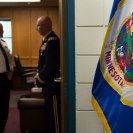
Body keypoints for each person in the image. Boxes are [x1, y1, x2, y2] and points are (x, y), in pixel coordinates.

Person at [35, 16, 60, 133]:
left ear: (46, 26)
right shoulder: (47, 40)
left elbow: (50, 66)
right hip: (48, 86)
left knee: (54, 120)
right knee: (49, 117)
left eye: (38, 25)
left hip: (52, 87)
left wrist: (39, 79)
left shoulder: (52, 41)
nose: (36, 28)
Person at [0, 23, 13, 132]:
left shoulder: (3, 42)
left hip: (4, 78)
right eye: (1, 30)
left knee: (4, 107)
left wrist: (10, 72)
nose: (3, 32)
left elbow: (9, 59)